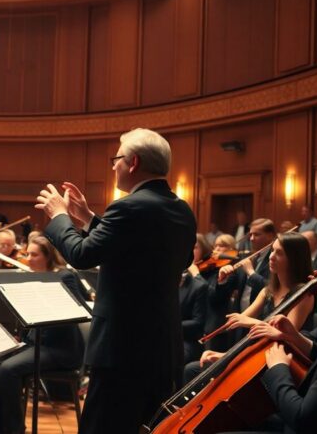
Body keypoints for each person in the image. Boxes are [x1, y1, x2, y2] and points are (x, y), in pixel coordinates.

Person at [35, 128, 196, 433]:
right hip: (162, 349)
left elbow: (82, 255)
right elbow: (159, 253)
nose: (113, 166)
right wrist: (89, 219)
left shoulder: (129, 207)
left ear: (133, 162)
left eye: (116, 159)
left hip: (121, 350)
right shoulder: (181, 209)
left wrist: (59, 217)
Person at [0, 236, 86, 434]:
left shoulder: (65, 276)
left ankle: (14, 429)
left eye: (34, 255)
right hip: (35, 344)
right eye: (27, 254)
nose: (28, 258)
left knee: (8, 369)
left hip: (60, 348)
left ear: (48, 256)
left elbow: (78, 310)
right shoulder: (28, 276)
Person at [184, 233, 315, 385]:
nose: (271, 256)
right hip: (256, 355)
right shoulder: (267, 291)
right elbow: (240, 320)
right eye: (272, 250)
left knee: (195, 371)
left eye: (279, 253)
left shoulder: (304, 294)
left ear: (294, 258)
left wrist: (249, 322)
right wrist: (226, 355)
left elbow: (286, 332)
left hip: (281, 362)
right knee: (192, 370)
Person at [222, 311, 317, 434]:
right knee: (242, 415)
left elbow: (301, 418)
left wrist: (278, 368)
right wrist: (295, 337)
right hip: (298, 411)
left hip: (302, 423)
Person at [181, 234, 210, 363]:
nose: (190, 252)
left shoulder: (199, 283)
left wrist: (196, 274)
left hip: (190, 339)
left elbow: (198, 322)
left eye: (195, 248)